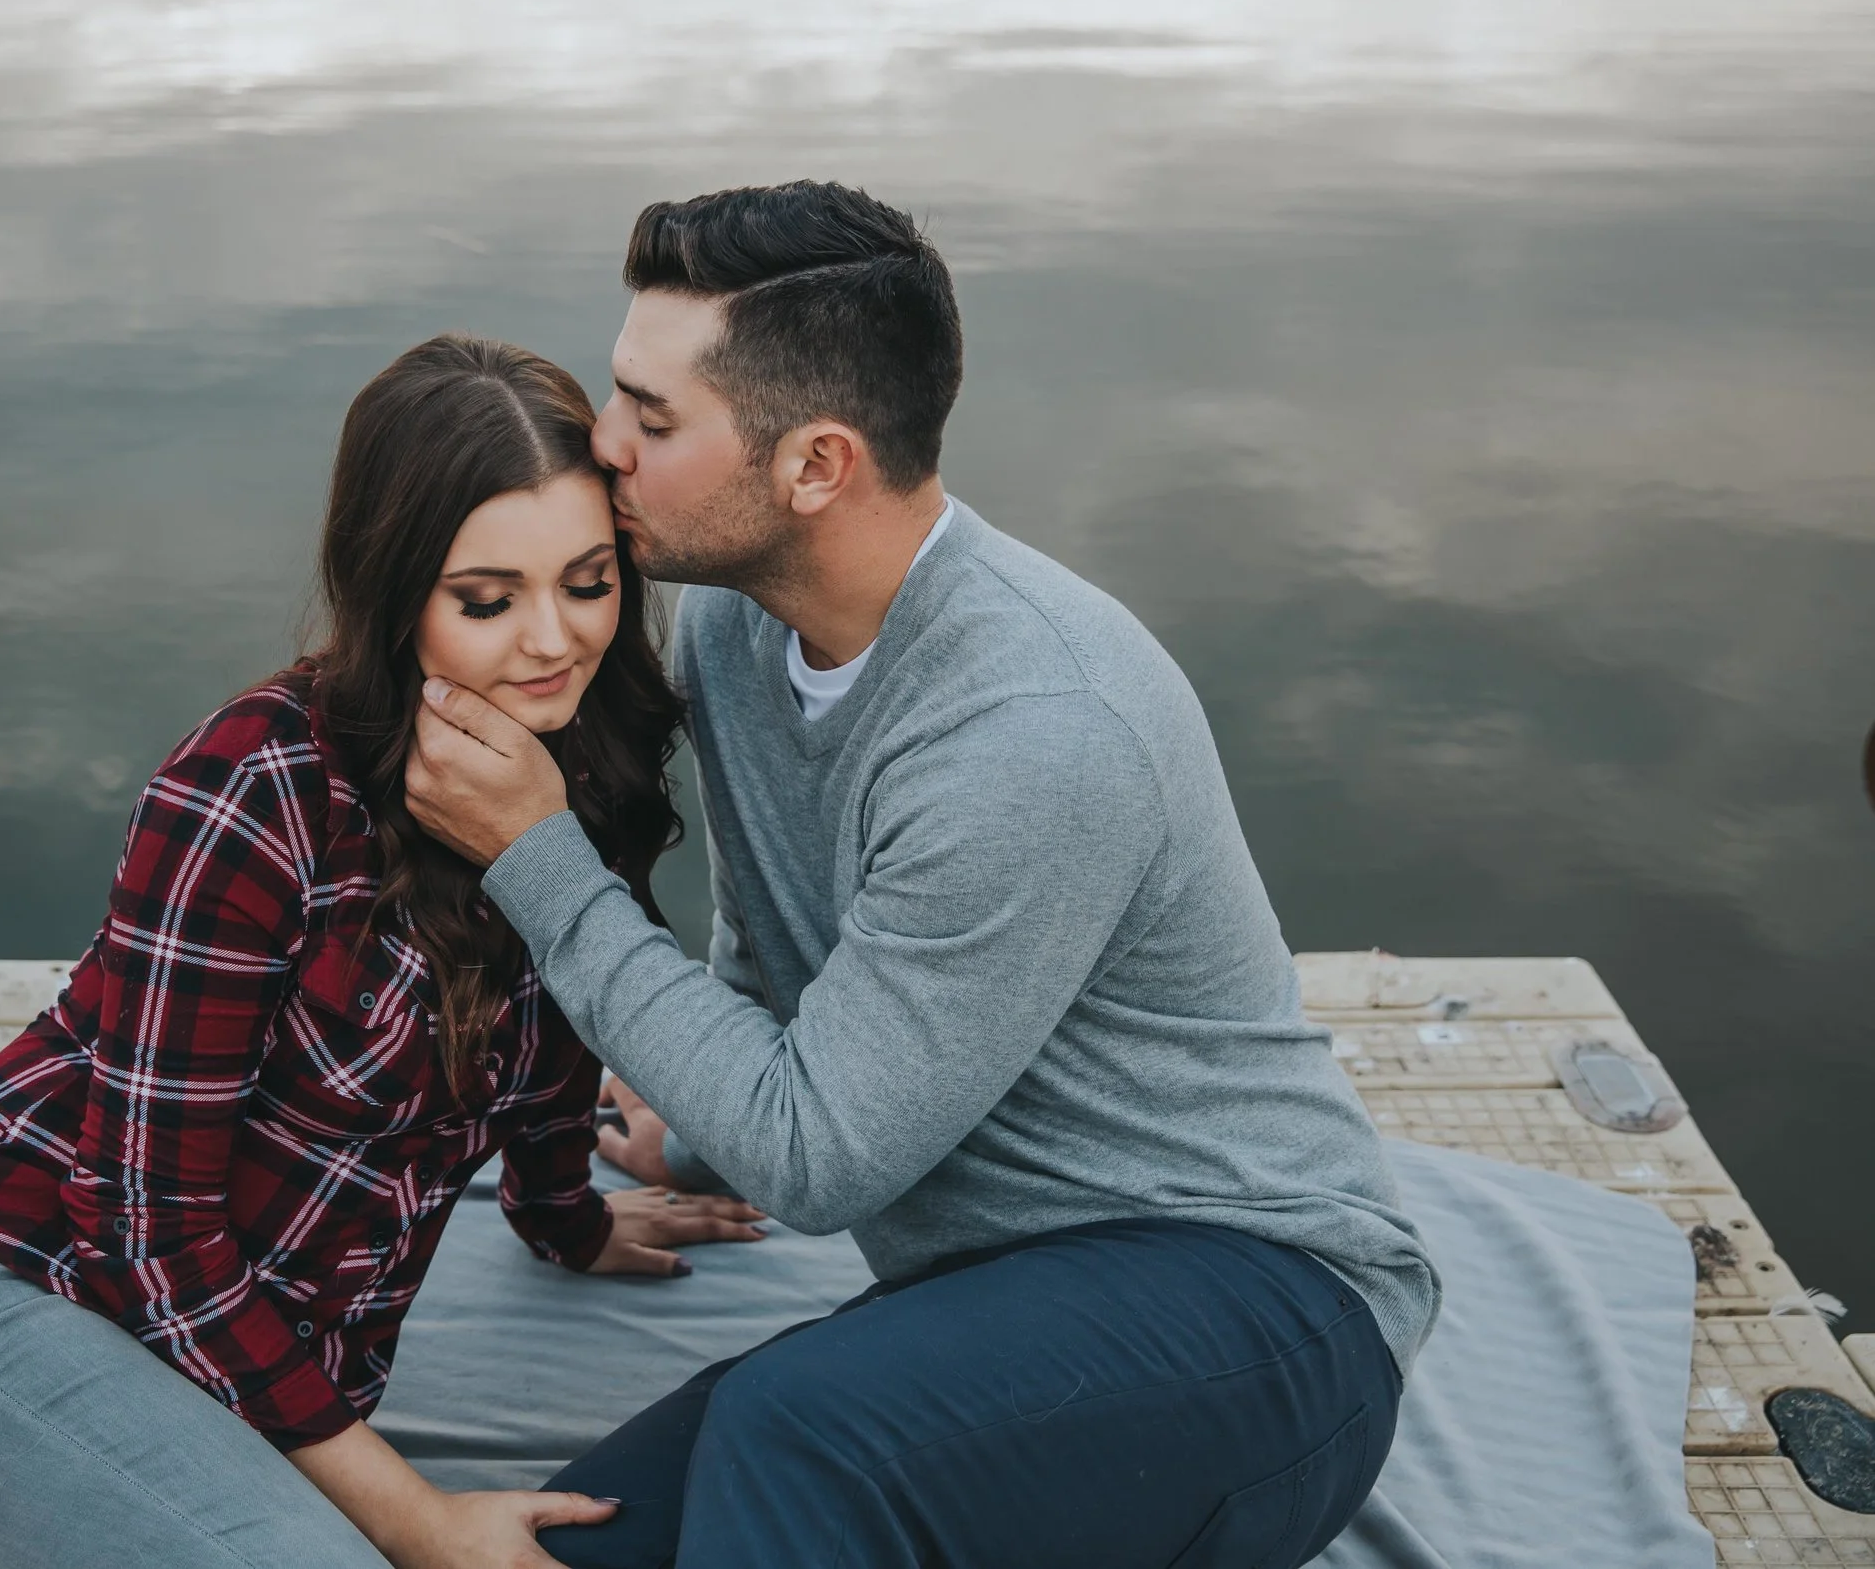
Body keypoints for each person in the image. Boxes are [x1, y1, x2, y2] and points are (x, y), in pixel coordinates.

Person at [403, 183, 1445, 1568]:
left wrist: (539, 859)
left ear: (816, 464)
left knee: (796, 1434)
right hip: (994, 1314)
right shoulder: (732, 623)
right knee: (589, 1531)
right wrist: (694, 1131)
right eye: (619, 395)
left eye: (654, 420)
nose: (603, 447)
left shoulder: (1038, 733)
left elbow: (819, 1157)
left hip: (1258, 1315)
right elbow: (773, 961)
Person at [0, 334, 766, 1569]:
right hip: (21, 1289)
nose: (553, 639)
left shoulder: (576, 756)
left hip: (234, 1364)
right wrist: (419, 1520)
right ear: (395, 591)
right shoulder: (249, 791)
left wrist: (565, 1216)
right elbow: (143, 1218)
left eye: (588, 580)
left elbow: (547, 1014)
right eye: (486, 600)